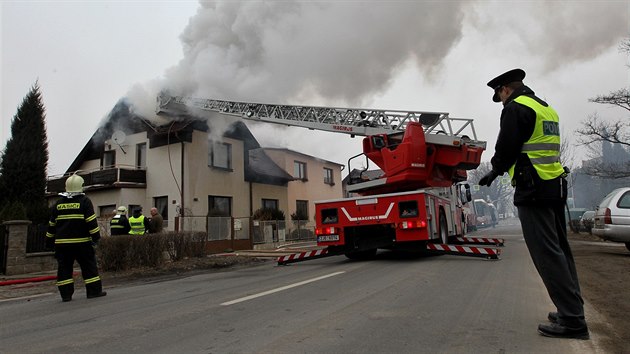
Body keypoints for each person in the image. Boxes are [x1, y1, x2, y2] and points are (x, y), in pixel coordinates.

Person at [479, 68, 588, 339]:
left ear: (505, 89)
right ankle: (572, 309)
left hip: (533, 189)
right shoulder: (545, 108)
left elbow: (507, 147)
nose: (501, 100)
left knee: (546, 254)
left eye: (499, 94)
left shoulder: (516, 108)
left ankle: (573, 321)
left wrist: (495, 169)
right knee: (560, 250)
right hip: (553, 186)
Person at [45, 173, 107, 302]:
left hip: (62, 245)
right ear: (81, 186)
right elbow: (91, 222)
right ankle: (93, 291)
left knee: (64, 269)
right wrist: (96, 238)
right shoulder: (84, 201)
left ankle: (66, 295)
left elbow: (52, 225)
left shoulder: (58, 204)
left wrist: (49, 242)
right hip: (81, 243)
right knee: (89, 267)